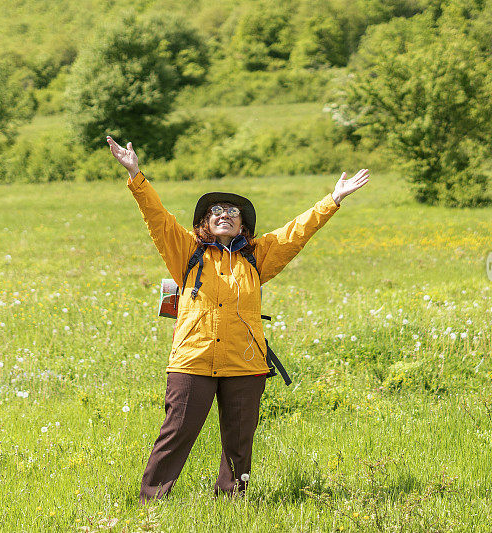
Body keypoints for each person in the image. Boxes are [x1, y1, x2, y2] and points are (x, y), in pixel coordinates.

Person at [106, 135, 369, 503]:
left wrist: (333, 199)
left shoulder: (257, 257)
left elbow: (296, 232)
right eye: (216, 212)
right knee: (176, 432)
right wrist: (136, 175)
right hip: (192, 361)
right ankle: (151, 502)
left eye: (232, 212)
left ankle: (232, 502)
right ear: (204, 223)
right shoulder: (187, 252)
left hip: (245, 363)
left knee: (239, 440)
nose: (224, 215)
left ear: (243, 225)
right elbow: (158, 219)